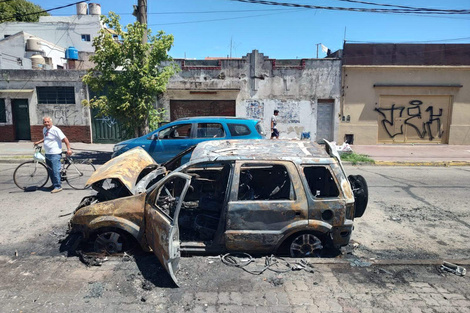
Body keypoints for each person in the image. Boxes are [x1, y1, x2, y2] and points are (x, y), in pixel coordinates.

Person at [34, 116, 72, 193]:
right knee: (50, 170)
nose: (46, 123)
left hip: (55, 153)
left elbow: (65, 139)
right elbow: (46, 137)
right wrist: (38, 142)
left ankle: (58, 186)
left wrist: (69, 149)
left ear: (51, 122)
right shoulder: (44, 129)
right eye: (45, 122)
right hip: (48, 153)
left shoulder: (56, 129)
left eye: (48, 122)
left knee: (55, 171)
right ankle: (54, 184)